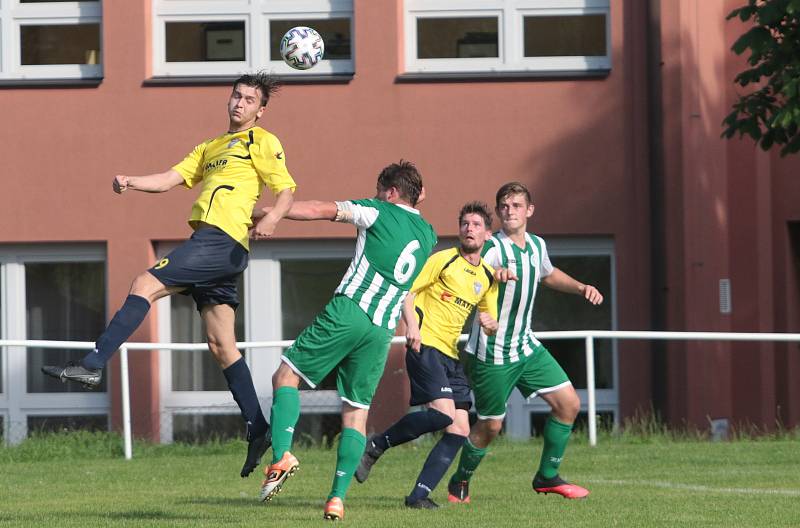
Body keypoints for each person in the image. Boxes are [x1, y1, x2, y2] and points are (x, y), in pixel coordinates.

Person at [42, 72, 295, 479]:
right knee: (221, 344)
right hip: (213, 245)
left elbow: (285, 190)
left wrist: (275, 219)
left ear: (260, 110)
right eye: (236, 95)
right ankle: (258, 426)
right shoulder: (210, 147)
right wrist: (131, 181)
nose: (239, 103)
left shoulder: (262, 141)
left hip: (219, 241)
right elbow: (170, 179)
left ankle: (93, 362)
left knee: (144, 283)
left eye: (249, 100)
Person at [255, 160, 437, 521]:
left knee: (285, 378)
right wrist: (410, 322)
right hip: (382, 330)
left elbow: (321, 209)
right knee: (356, 414)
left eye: (379, 190)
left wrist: (269, 212)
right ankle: (336, 498)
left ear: (391, 192)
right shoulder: (427, 235)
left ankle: (282, 456)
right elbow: (404, 288)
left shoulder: (378, 210)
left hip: (350, 310)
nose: (374, 195)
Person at [446, 181, 603, 503]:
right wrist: (490, 285)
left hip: (525, 346)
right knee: (491, 426)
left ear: (529, 210)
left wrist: (581, 287)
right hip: (491, 352)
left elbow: (547, 274)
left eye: (516, 205)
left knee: (569, 404)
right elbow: (472, 273)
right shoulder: (491, 247)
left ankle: (547, 477)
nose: (509, 211)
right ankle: (459, 481)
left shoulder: (536, 246)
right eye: (504, 206)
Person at [354, 201, 500, 509]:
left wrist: (489, 324)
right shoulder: (443, 260)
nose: (469, 228)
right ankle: (377, 444)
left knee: (459, 429)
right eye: (465, 223)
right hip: (426, 345)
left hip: (450, 355)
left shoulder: (487, 276)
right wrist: (412, 326)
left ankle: (418, 496)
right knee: (445, 415)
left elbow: (490, 319)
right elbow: (406, 290)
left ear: (488, 234)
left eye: (476, 224)